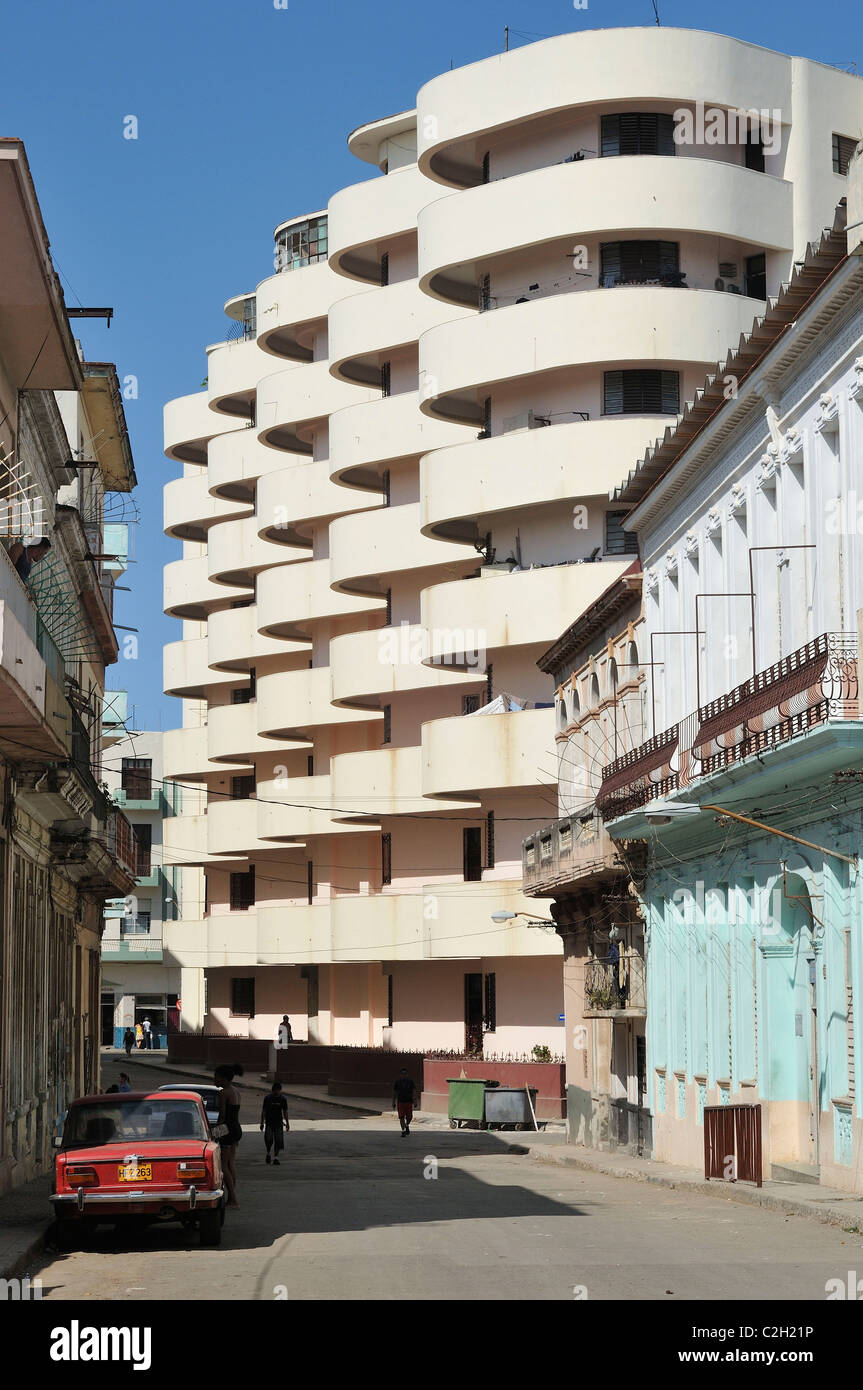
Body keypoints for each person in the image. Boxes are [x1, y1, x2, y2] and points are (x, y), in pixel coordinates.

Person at [214, 1063, 244, 1207]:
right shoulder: (235, 1091)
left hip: (227, 1130)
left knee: (223, 1166)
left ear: (224, 1079)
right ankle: (232, 1195)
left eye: (217, 1078)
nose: (215, 1080)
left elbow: (222, 1116)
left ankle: (232, 1198)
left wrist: (214, 1133)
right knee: (231, 1163)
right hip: (236, 1128)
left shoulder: (224, 1092)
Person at [260, 1081, 289, 1165]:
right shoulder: (267, 1098)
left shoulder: (283, 1099)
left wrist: (287, 1123)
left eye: (278, 1090)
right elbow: (264, 1111)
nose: (277, 1092)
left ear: (280, 1090)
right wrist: (262, 1123)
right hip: (269, 1122)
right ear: (272, 1090)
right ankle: (268, 1153)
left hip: (278, 1122)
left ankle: (276, 1157)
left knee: (278, 1140)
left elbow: (285, 1112)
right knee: (268, 1139)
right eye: (275, 1090)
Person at [392, 1068, 417, 1137]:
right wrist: (393, 1102)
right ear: (400, 1075)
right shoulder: (397, 1082)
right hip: (400, 1102)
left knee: (410, 1117)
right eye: (402, 1074)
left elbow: (414, 1091)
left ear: (407, 1074)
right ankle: (403, 1130)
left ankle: (406, 1125)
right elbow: (394, 1093)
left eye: (405, 1074)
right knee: (401, 1117)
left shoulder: (410, 1081)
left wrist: (415, 1101)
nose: (404, 1075)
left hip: (409, 1101)